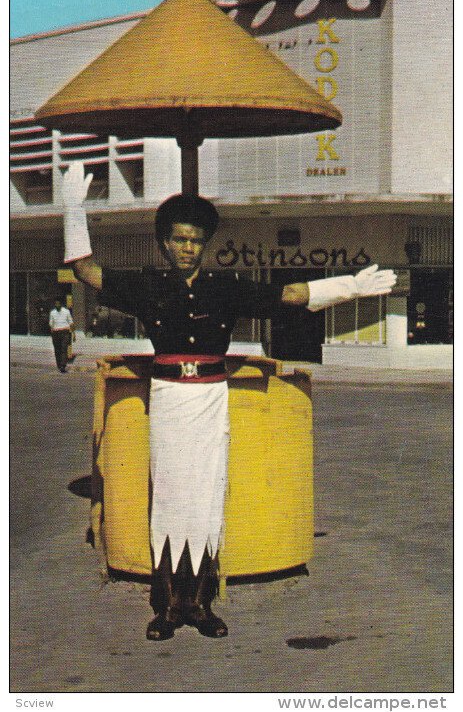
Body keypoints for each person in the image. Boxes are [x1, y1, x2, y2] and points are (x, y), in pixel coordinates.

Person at [62, 162, 396, 641]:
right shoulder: (149, 286)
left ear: (205, 244)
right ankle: (167, 607)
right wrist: (74, 212)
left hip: (211, 401)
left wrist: (349, 287)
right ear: (163, 241)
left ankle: (201, 605)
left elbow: (292, 293)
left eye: (195, 241)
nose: (186, 248)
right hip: (169, 399)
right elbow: (86, 273)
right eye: (178, 239)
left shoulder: (227, 289)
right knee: (171, 499)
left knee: (208, 497)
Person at [49, 298, 74, 373]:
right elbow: (51, 323)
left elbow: (71, 322)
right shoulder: (52, 313)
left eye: (58, 304)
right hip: (56, 332)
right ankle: (59, 364)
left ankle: (63, 365)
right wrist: (52, 331)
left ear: (61, 304)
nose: (57, 305)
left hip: (65, 332)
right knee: (57, 349)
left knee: (64, 348)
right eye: (56, 304)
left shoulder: (66, 312)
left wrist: (74, 334)